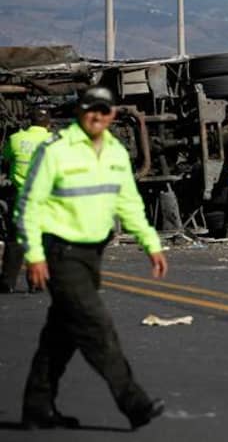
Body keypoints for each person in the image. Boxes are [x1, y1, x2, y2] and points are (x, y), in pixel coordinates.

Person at [17, 86, 167, 430]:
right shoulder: (55, 150)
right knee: (96, 327)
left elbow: (128, 202)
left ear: (113, 114)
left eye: (104, 110)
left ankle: (37, 406)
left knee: (62, 333)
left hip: (92, 254)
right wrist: (34, 254)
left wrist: (150, 243)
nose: (97, 116)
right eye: (90, 110)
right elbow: (29, 204)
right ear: (78, 112)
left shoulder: (114, 152)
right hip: (59, 252)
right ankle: (135, 403)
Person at [0, 108, 52, 293]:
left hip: (20, 196)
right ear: (48, 124)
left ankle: (8, 283)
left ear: (29, 122)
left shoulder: (15, 139)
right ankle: (37, 282)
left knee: (15, 241)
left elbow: (5, 159)